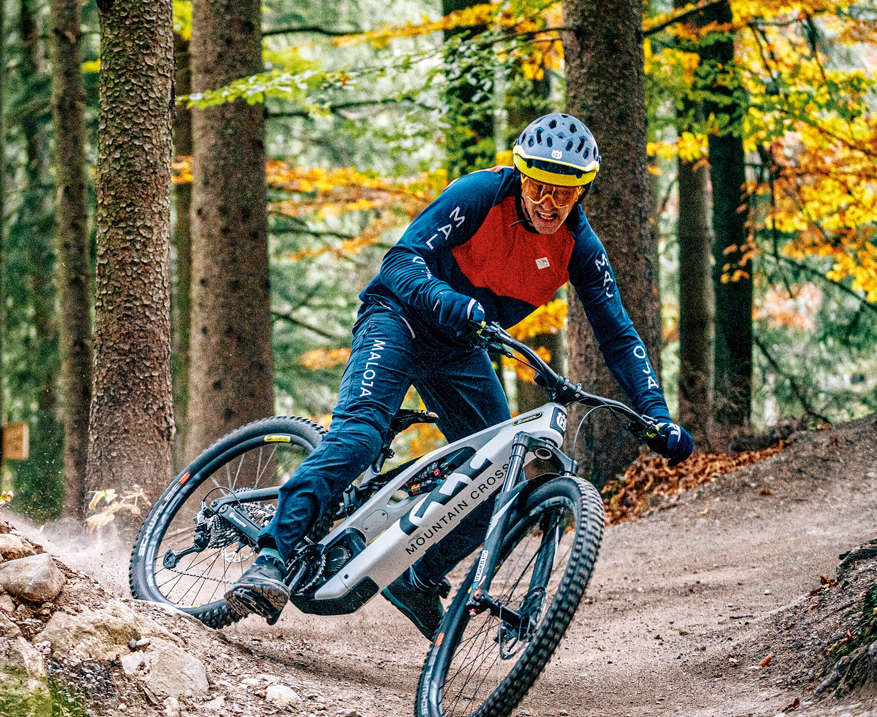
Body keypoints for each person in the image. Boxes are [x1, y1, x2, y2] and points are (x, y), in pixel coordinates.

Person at [226, 113, 693, 634]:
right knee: (358, 436)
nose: (548, 203)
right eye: (539, 186)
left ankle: (417, 580)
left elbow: (619, 337)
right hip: (398, 317)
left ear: (581, 191)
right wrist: (445, 299)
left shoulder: (580, 249)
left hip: (459, 346)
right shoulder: (479, 194)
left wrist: (655, 412)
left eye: (564, 193)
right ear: (521, 175)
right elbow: (399, 263)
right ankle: (270, 557)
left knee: (496, 476)